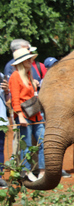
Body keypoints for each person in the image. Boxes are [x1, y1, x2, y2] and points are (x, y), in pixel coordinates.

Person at [8, 48, 45, 182]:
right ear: (22, 62)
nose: (31, 61)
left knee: (43, 141)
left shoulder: (29, 75)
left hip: (36, 115)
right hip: (24, 116)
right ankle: (26, 171)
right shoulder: (15, 76)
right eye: (28, 59)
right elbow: (15, 99)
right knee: (26, 144)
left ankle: (42, 171)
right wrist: (20, 116)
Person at [0, 73, 9, 188]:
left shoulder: (1, 75)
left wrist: (7, 91)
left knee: (0, 148)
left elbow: (7, 99)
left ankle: (0, 176)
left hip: (1, 119)